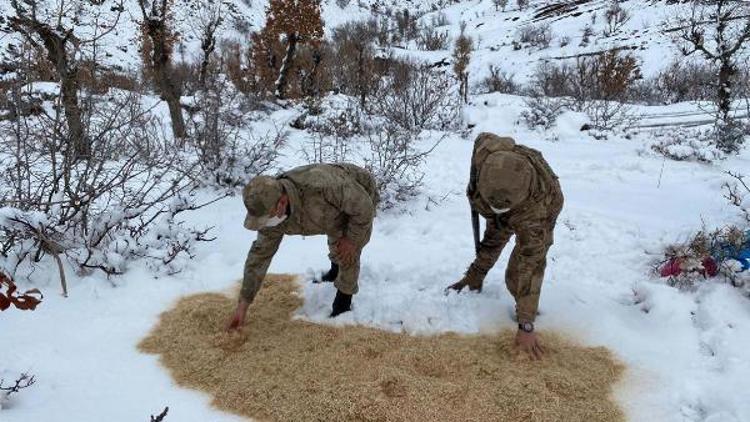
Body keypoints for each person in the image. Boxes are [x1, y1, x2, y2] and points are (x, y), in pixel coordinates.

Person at [448, 132, 564, 360]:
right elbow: (481, 138)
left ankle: (525, 310)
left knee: (518, 271)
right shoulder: (486, 154)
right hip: (504, 191)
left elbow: (532, 264)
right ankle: (475, 276)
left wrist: (526, 325)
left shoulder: (533, 214)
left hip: (543, 203)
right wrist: (476, 273)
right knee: (493, 236)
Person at [226, 163, 379, 330]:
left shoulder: (324, 187)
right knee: (333, 229)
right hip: (328, 210)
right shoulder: (269, 209)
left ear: (282, 202)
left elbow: (364, 209)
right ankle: (335, 271)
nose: (266, 224)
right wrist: (243, 304)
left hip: (359, 193)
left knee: (346, 247)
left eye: (266, 218)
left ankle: (343, 302)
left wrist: (351, 240)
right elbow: (259, 256)